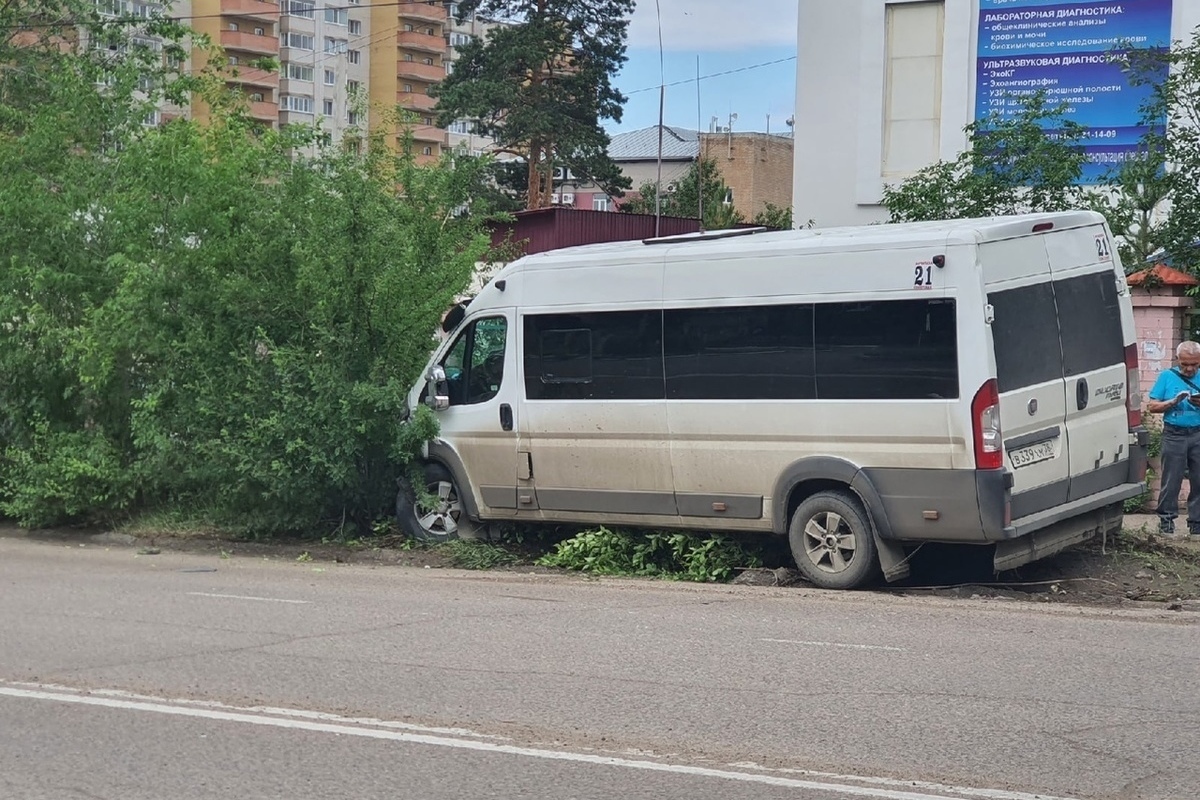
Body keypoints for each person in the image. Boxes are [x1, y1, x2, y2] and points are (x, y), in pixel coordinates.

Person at [1146, 340, 1200, 537]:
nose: (1189, 368)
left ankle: (1197, 524)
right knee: (1171, 479)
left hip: (1198, 432)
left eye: (1195, 364)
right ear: (1178, 359)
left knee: (1199, 480)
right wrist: (1172, 402)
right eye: (1185, 364)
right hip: (1174, 433)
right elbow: (1152, 406)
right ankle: (1166, 522)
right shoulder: (1167, 376)